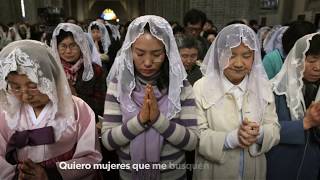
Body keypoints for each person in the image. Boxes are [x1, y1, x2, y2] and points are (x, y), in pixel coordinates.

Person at [102, 15, 198, 180]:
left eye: (156, 54)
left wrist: (158, 120)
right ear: (129, 50)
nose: (147, 62)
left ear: (167, 52)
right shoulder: (119, 85)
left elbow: (192, 142)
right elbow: (108, 141)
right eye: (139, 53)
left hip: (172, 176)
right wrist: (140, 120)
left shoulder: (181, 86)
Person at [0, 40, 102, 180]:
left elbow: (91, 157)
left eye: (33, 86)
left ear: (50, 77)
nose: (25, 95)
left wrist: (52, 175)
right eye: (16, 87)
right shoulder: (6, 113)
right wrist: (16, 174)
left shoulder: (77, 108)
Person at [193, 24, 280, 180]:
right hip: (213, 172)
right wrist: (231, 139)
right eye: (231, 55)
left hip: (253, 171)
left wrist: (258, 134)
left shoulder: (263, 86)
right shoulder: (201, 87)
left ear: (254, 57)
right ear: (219, 55)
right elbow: (195, 135)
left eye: (246, 56)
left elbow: (274, 128)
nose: (239, 63)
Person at [266, 33, 320, 180]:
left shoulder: (316, 90)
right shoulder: (273, 90)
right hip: (278, 168)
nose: (318, 67)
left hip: (309, 169)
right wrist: (305, 123)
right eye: (312, 60)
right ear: (296, 60)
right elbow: (260, 131)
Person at [51, 23, 107, 122]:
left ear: (81, 46)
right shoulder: (52, 70)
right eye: (63, 46)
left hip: (87, 122)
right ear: (56, 47)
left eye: (73, 46)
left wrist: (75, 96)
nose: (68, 51)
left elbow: (101, 105)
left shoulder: (95, 71)